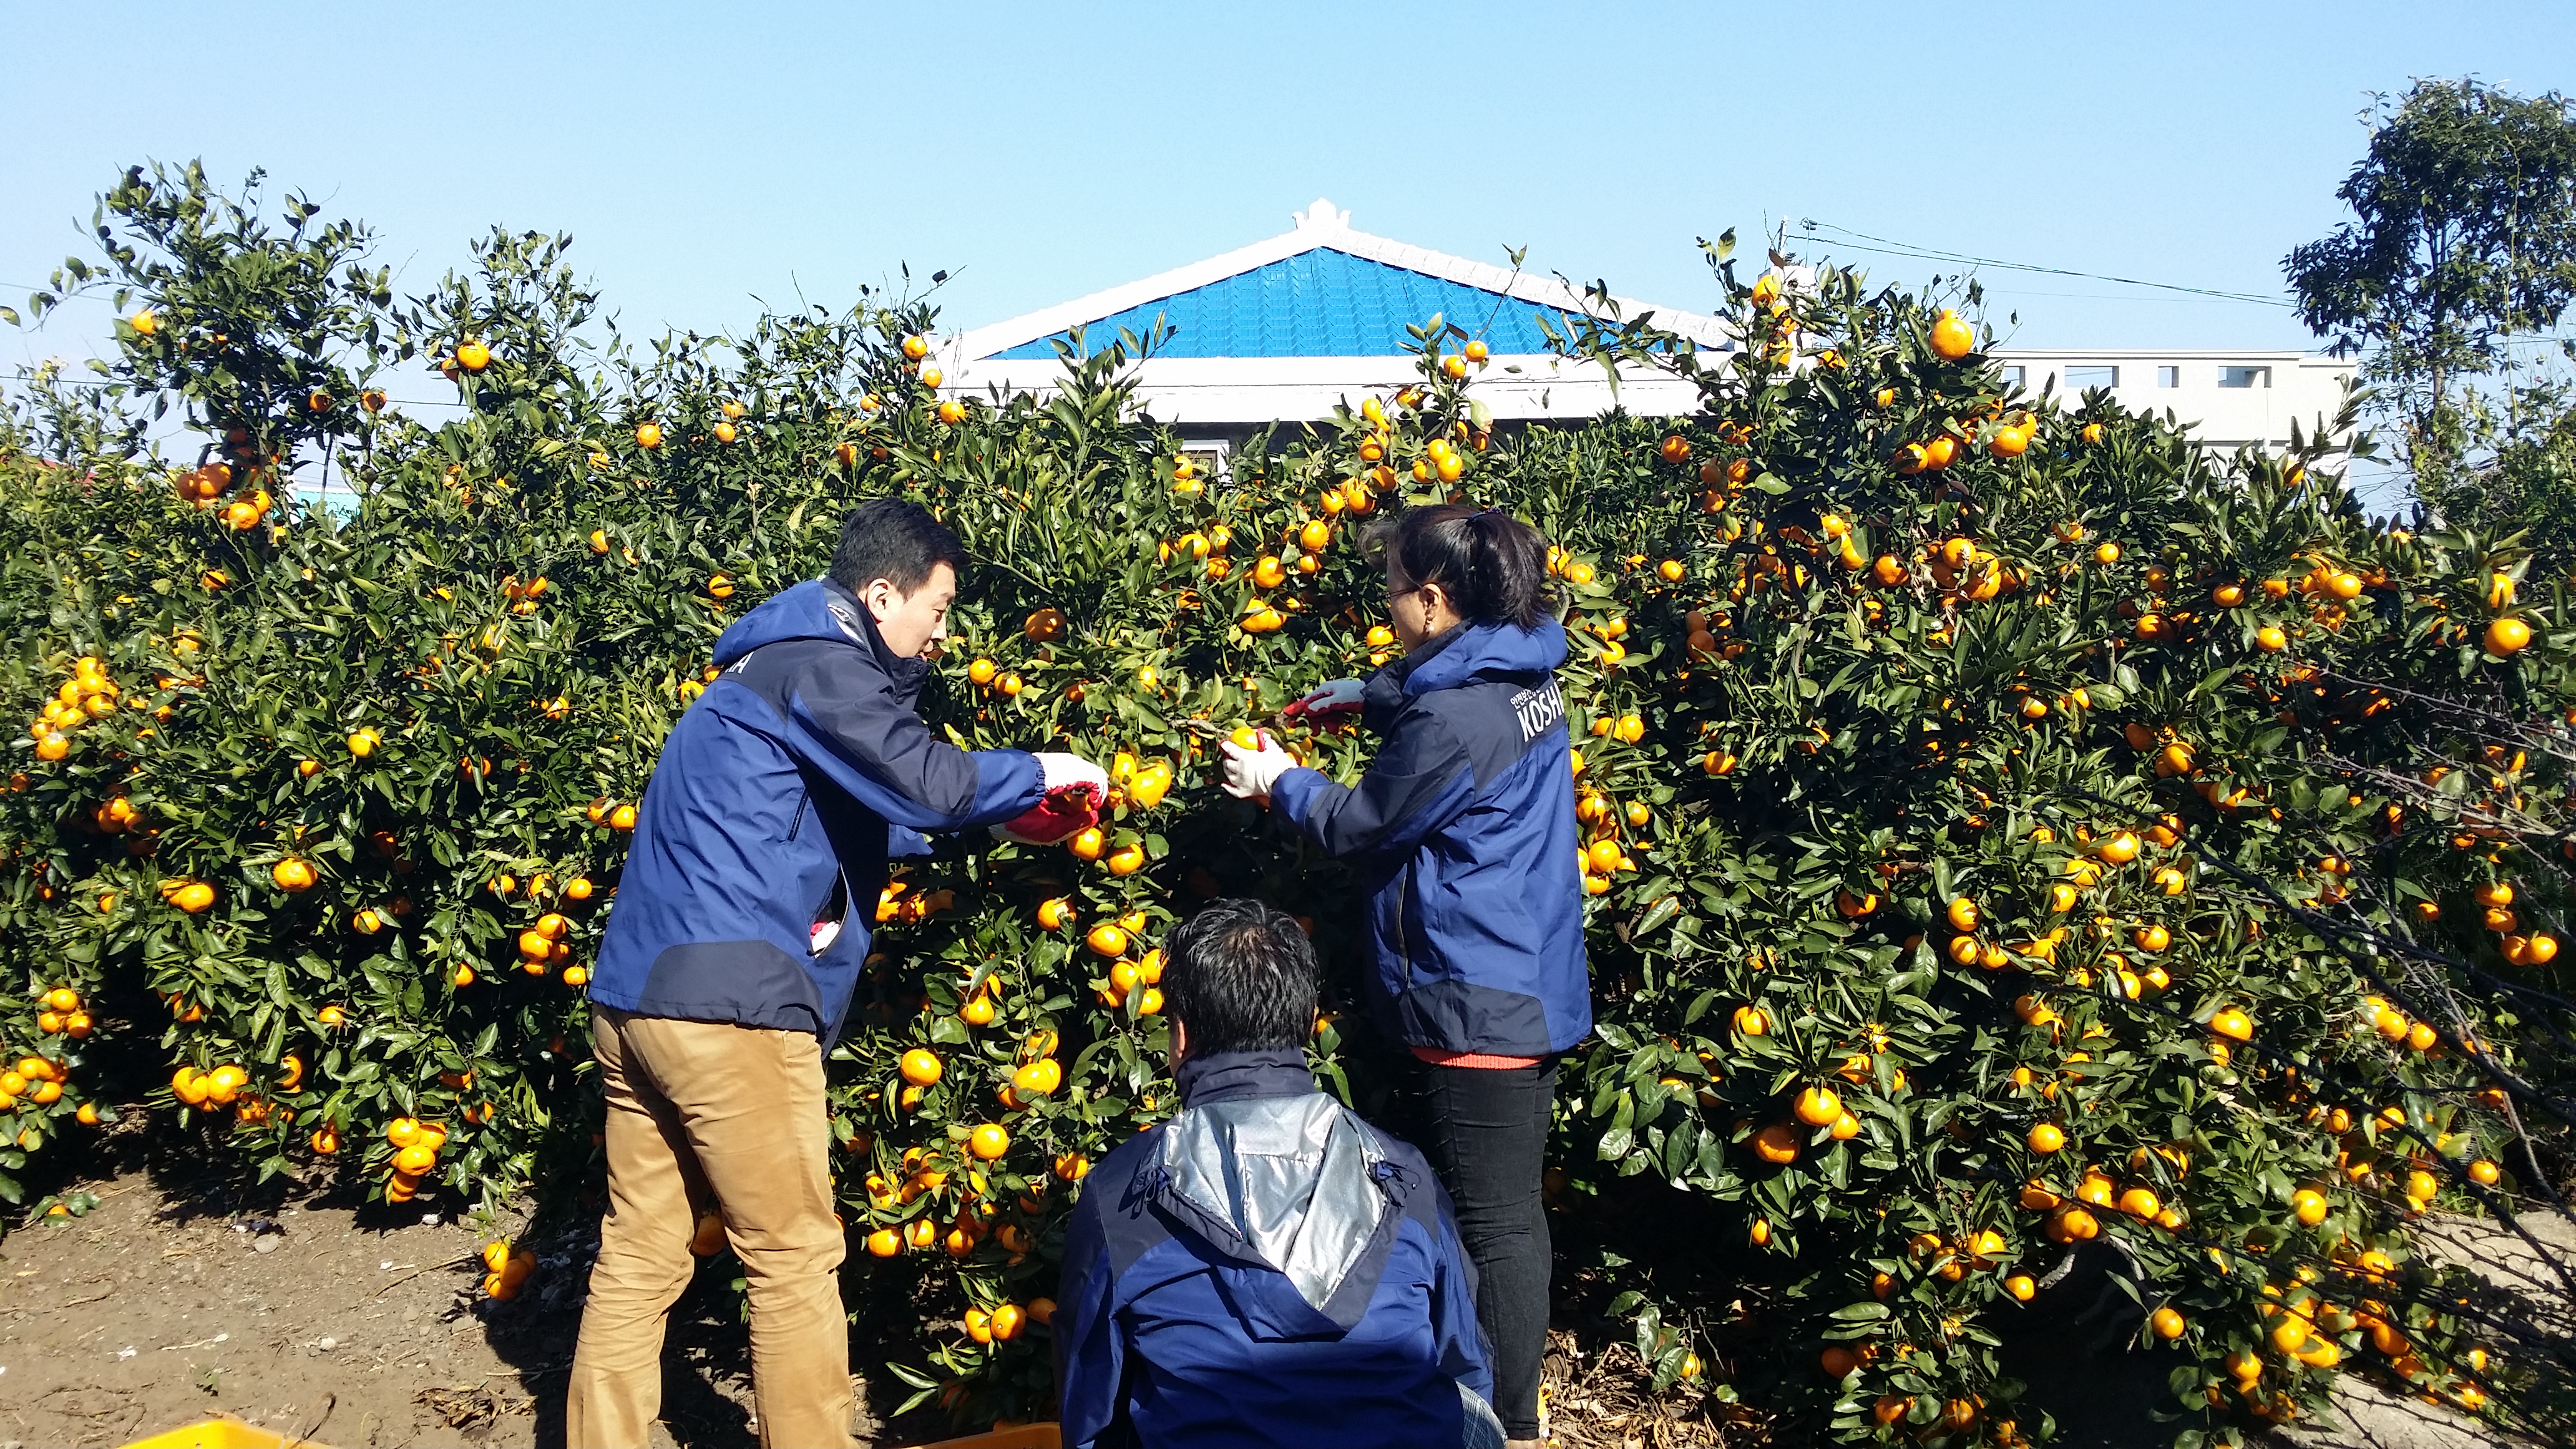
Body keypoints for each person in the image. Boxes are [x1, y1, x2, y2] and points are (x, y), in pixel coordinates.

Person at [571, 499, 1107, 1449]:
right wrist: (1045, 767)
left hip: (634, 999)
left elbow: (844, 815)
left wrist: (998, 818)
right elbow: (926, 780)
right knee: (791, 1256)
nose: (943, 635)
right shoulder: (824, 663)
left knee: (642, 1248)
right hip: (731, 1013)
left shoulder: (760, 667)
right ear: (881, 593)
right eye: (937, 611)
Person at [1218, 503, 1586, 1449]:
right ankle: (1500, 1402)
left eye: (1392, 595)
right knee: (1498, 1210)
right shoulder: (1527, 672)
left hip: (1476, 993)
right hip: (1523, 968)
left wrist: (1276, 780)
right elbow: (1448, 713)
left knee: (1495, 1221)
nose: (1386, 612)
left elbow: (1362, 824)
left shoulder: (1456, 718)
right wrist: (1367, 694)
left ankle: (1506, 1422)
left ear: (1431, 599)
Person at [1055, 897, 1503, 1449]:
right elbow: (1462, 1358)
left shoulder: (1122, 1192)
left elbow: (1092, 1407)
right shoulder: (1400, 1172)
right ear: (1307, 1021)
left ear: (1180, 1035)